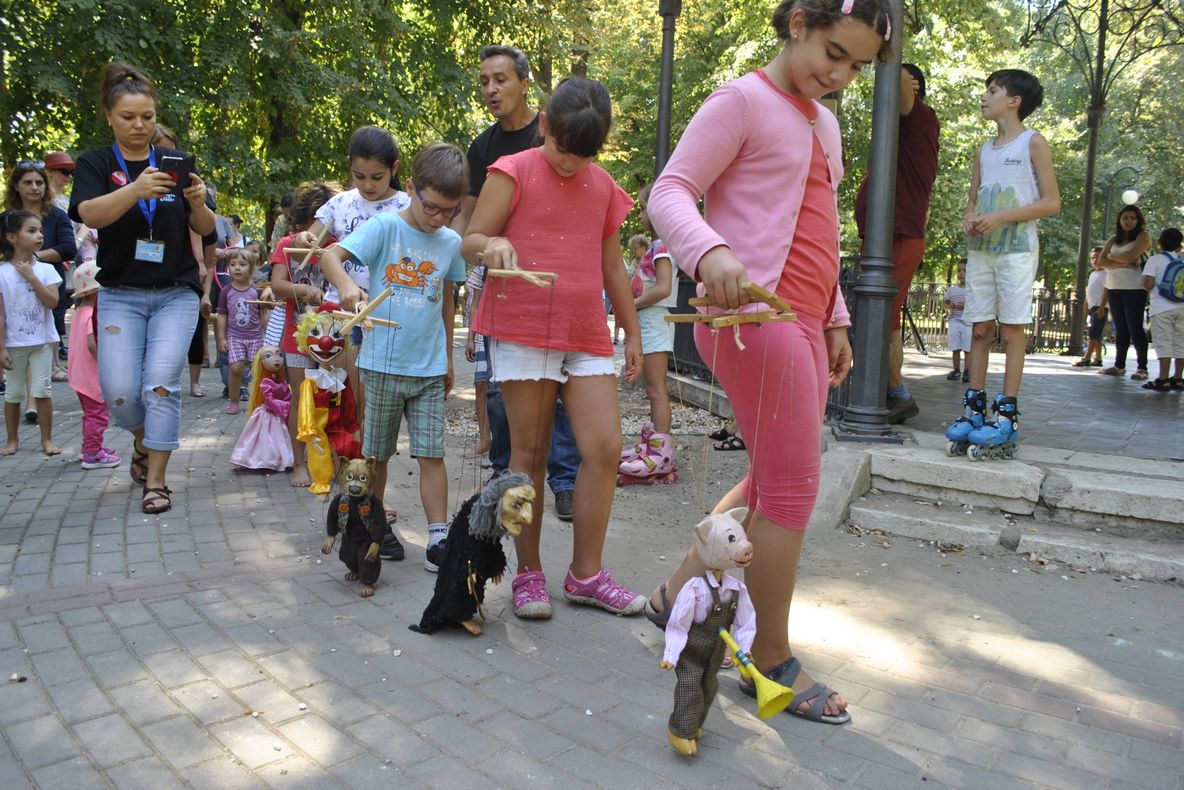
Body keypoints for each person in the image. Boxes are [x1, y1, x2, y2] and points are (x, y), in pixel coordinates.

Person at [648, 0, 893, 724]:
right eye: (834, 52)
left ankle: (675, 593)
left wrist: (838, 318)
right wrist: (708, 251)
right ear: (797, 25)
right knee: (790, 491)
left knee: (771, 476)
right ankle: (770, 656)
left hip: (805, 322)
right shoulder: (742, 100)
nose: (842, 74)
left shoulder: (825, 120)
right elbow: (669, 193)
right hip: (752, 317)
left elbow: (819, 228)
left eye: (857, 66)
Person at [463, 77, 645, 619]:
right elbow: (470, 240)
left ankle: (586, 574)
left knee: (606, 448)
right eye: (564, 150)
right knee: (530, 455)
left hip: (585, 331)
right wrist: (491, 244)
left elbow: (612, 264)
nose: (570, 164)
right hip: (522, 328)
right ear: (544, 126)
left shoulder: (604, 186)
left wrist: (632, 332)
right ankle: (529, 574)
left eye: (584, 155)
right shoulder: (513, 171)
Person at [69, 62, 216, 514]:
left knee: (161, 385)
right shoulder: (96, 163)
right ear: (109, 116)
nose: (139, 126)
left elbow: (207, 230)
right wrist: (134, 190)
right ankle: (142, 441)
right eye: (129, 117)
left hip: (176, 292)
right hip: (120, 294)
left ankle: (157, 481)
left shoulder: (175, 161)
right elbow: (88, 215)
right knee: (119, 393)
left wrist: (198, 202)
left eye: (147, 117)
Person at [320, 143, 468, 572]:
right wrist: (347, 286)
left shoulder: (451, 242)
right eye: (432, 207)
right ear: (411, 188)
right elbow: (331, 256)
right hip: (382, 366)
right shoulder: (385, 227)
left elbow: (446, 301)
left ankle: (438, 538)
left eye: (450, 211)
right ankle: (373, 525)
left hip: (428, 368)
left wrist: (449, 359)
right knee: (377, 455)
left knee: (431, 454)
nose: (439, 218)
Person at [454, 44, 580, 521]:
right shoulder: (482, 148)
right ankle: (506, 477)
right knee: (500, 388)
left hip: (554, 280)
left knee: (561, 385)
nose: (491, 89)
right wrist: (474, 279)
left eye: (501, 79)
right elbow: (469, 229)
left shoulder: (548, 134)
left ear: (525, 84)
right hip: (502, 282)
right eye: (485, 81)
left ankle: (564, 481)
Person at [946, 67, 1061, 458]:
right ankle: (974, 410)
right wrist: (971, 218)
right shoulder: (984, 150)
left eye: (992, 91)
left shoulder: (1033, 143)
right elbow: (973, 199)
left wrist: (999, 218)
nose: (984, 97)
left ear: (1014, 101)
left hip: (1016, 253)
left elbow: (1051, 202)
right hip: (983, 253)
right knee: (978, 328)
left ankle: (1007, 414)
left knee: (1012, 330)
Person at [854, 63, 939, 423]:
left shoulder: (920, 118)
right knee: (880, 319)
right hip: (884, 239)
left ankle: (895, 395)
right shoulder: (894, 131)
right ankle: (889, 392)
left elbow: (902, 78)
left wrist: (876, 36)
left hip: (899, 239)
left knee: (880, 317)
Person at [269, 180, 338, 490]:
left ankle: (332, 459)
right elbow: (277, 285)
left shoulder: (338, 244)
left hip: (334, 339)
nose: (318, 227)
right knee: (301, 398)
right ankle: (299, 463)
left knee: (333, 397)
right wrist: (305, 290)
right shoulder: (287, 244)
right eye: (313, 218)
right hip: (295, 337)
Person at [619, 183, 677, 481]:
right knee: (650, 389)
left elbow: (664, 288)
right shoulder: (656, 246)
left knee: (656, 389)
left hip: (654, 320)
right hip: (648, 321)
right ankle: (653, 446)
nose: (640, 214)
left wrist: (632, 304)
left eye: (643, 208)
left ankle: (661, 454)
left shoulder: (662, 246)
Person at [5, 160, 77, 384]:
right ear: (16, 186)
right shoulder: (6, 218)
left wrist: (32, 258)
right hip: (11, 287)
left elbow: (68, 248)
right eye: (28, 182)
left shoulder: (56, 215)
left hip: (48, 283)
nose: (35, 187)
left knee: (48, 329)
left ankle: (48, 373)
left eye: (39, 183)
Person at [0, 209, 62, 456]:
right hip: (14, 344)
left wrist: (32, 277)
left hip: (42, 341)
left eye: (40, 231)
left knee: (42, 391)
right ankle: (12, 440)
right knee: (13, 393)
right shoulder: (2, 272)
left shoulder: (46, 270)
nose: (39, 236)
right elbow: (1, 315)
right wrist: (1, 347)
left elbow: (52, 302)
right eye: (31, 231)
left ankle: (47, 439)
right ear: (11, 237)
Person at [66, 259, 120, 468]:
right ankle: (92, 453)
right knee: (98, 415)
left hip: (79, 375)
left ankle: (90, 445)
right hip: (91, 375)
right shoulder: (92, 315)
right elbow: (92, 344)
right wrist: (108, 361)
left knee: (90, 414)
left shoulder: (80, 312)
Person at [1097, 205, 1152, 380]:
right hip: (1114, 287)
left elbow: (1132, 256)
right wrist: (1122, 263)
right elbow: (1100, 261)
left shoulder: (1143, 236)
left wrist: (1112, 258)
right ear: (1119, 220)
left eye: (1132, 218)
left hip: (1135, 288)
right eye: (1125, 218)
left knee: (1135, 328)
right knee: (1121, 329)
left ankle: (1142, 367)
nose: (1128, 221)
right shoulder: (1113, 239)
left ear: (1138, 220)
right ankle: (1119, 365)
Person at [216, 249, 265, 415]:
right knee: (236, 369)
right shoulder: (226, 291)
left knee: (257, 370)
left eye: (242, 265)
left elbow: (263, 314)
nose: (237, 268)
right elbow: (222, 315)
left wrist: (268, 336)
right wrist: (221, 338)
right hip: (234, 336)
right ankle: (234, 401)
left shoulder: (257, 291)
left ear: (251, 268)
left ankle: (259, 402)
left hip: (256, 336)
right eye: (233, 264)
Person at [1140, 227, 1184, 391]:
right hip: (1182, 307)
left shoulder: (1155, 260)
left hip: (1161, 308)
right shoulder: (1183, 259)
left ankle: (1163, 379)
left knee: (1164, 343)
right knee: (1181, 343)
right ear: (1179, 244)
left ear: (1159, 242)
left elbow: (1148, 285)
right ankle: (1178, 378)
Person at [462, 264, 492, 456]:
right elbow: (474, 305)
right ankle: (484, 438)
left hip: (505, 335)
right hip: (483, 332)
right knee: (481, 384)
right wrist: (470, 338)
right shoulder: (482, 267)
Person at [1075, 246, 1107, 367]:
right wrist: (1086, 304)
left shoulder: (1106, 273)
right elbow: (1089, 291)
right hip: (1093, 306)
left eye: (1098, 257)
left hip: (1100, 307)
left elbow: (1106, 291)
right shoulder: (1093, 274)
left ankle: (1087, 357)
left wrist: (1102, 307)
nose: (1095, 260)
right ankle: (1098, 358)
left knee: (1093, 334)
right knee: (1096, 334)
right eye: (1093, 258)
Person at [943, 258, 971, 381]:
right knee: (956, 346)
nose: (961, 273)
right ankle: (956, 369)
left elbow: (976, 304)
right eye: (959, 270)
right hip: (955, 320)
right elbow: (945, 303)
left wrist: (966, 305)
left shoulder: (972, 290)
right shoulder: (952, 290)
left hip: (968, 322)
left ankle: (967, 370)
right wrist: (950, 306)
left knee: (967, 348)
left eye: (965, 271)